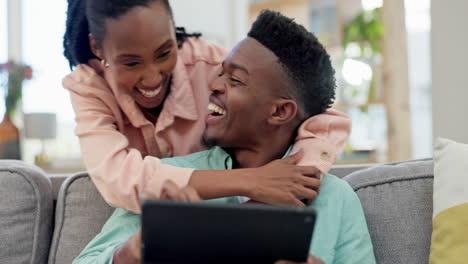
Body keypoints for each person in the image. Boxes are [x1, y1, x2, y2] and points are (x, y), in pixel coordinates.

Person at [73, 10, 376, 264]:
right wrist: (131, 254)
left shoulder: (335, 199)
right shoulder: (172, 183)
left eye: (234, 79)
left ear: (281, 111)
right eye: (220, 71)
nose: (214, 83)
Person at [62, 0, 352, 213]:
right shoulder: (90, 87)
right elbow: (119, 179)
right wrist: (251, 181)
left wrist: (291, 184)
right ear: (98, 49)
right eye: (131, 62)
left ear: (172, 31)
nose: (152, 77)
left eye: (165, 53)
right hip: (141, 219)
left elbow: (319, 115)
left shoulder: (214, 66)